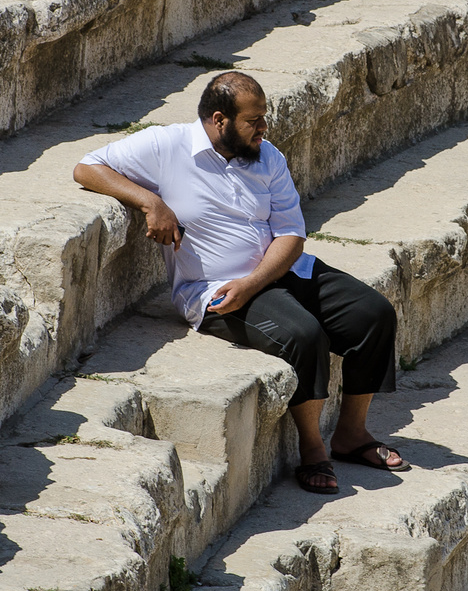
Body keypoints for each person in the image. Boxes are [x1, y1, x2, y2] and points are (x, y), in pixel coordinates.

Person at [72, 70, 408, 494]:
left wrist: (255, 281)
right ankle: (313, 449)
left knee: (374, 315)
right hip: (215, 289)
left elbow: (290, 234)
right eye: (254, 120)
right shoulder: (166, 145)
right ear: (219, 120)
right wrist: (150, 201)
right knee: (304, 336)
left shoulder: (268, 157)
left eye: (263, 118)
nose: (264, 128)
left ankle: (352, 435)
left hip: (281, 270)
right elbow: (86, 168)